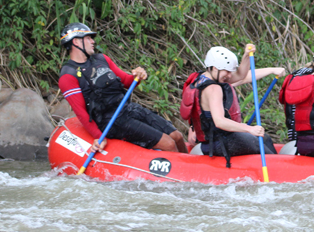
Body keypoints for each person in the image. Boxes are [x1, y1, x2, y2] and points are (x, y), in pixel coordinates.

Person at [58, 22, 187, 153]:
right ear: (76, 42)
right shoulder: (68, 76)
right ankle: (182, 172)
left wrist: (137, 76)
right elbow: (81, 113)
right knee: (169, 144)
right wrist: (98, 137)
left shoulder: (102, 59)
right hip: (111, 121)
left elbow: (127, 81)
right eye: (88, 38)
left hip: (128, 109)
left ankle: (191, 165)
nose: (92, 41)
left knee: (177, 136)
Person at [180, 45, 280, 166]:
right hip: (219, 143)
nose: (229, 75)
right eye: (227, 71)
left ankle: (278, 167)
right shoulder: (213, 89)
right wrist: (249, 129)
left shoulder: (201, 78)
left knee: (266, 139)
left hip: (218, 140)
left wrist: (246, 56)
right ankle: (278, 169)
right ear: (215, 68)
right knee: (258, 143)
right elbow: (220, 122)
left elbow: (240, 75)